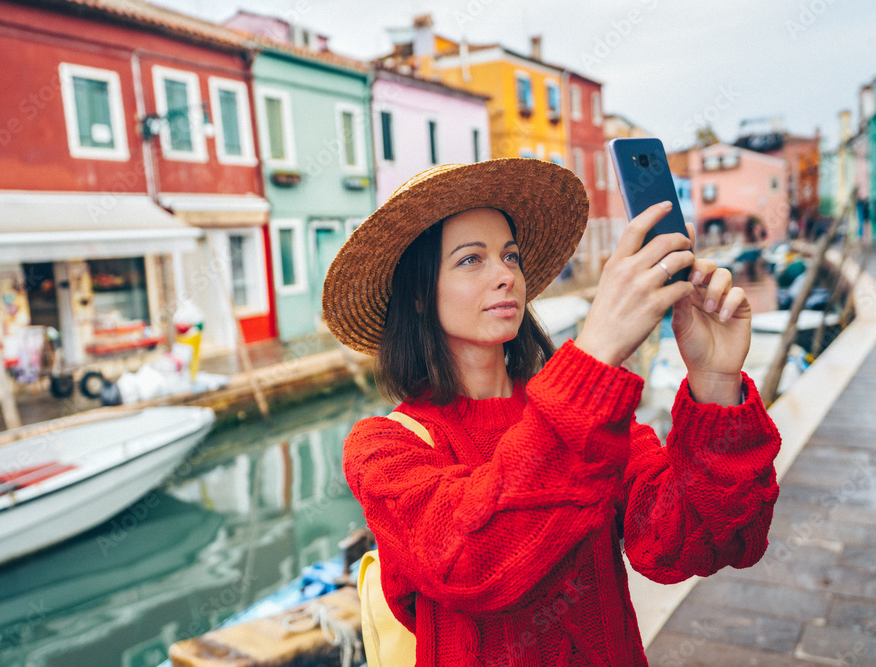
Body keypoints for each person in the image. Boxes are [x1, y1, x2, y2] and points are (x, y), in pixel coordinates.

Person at [322, 159, 780, 666]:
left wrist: (715, 382)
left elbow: (693, 542)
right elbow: (471, 560)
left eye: (510, 256)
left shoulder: (590, 414)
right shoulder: (384, 447)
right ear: (417, 297)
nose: (505, 276)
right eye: (471, 260)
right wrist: (597, 351)